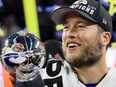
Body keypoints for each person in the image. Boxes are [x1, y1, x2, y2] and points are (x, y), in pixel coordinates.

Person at [6, 0, 116, 87]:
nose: (69, 33)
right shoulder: (39, 77)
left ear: (105, 38)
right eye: (66, 27)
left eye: (80, 26)